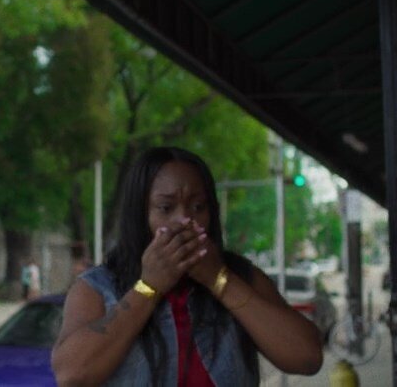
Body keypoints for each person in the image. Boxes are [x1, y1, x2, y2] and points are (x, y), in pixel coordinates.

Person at [51, 147, 323, 386]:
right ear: (140, 215)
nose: (184, 220)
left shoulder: (240, 276)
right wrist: (148, 287)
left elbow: (307, 359)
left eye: (198, 206)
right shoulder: (97, 287)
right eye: (166, 208)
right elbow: (72, 375)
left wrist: (219, 279)